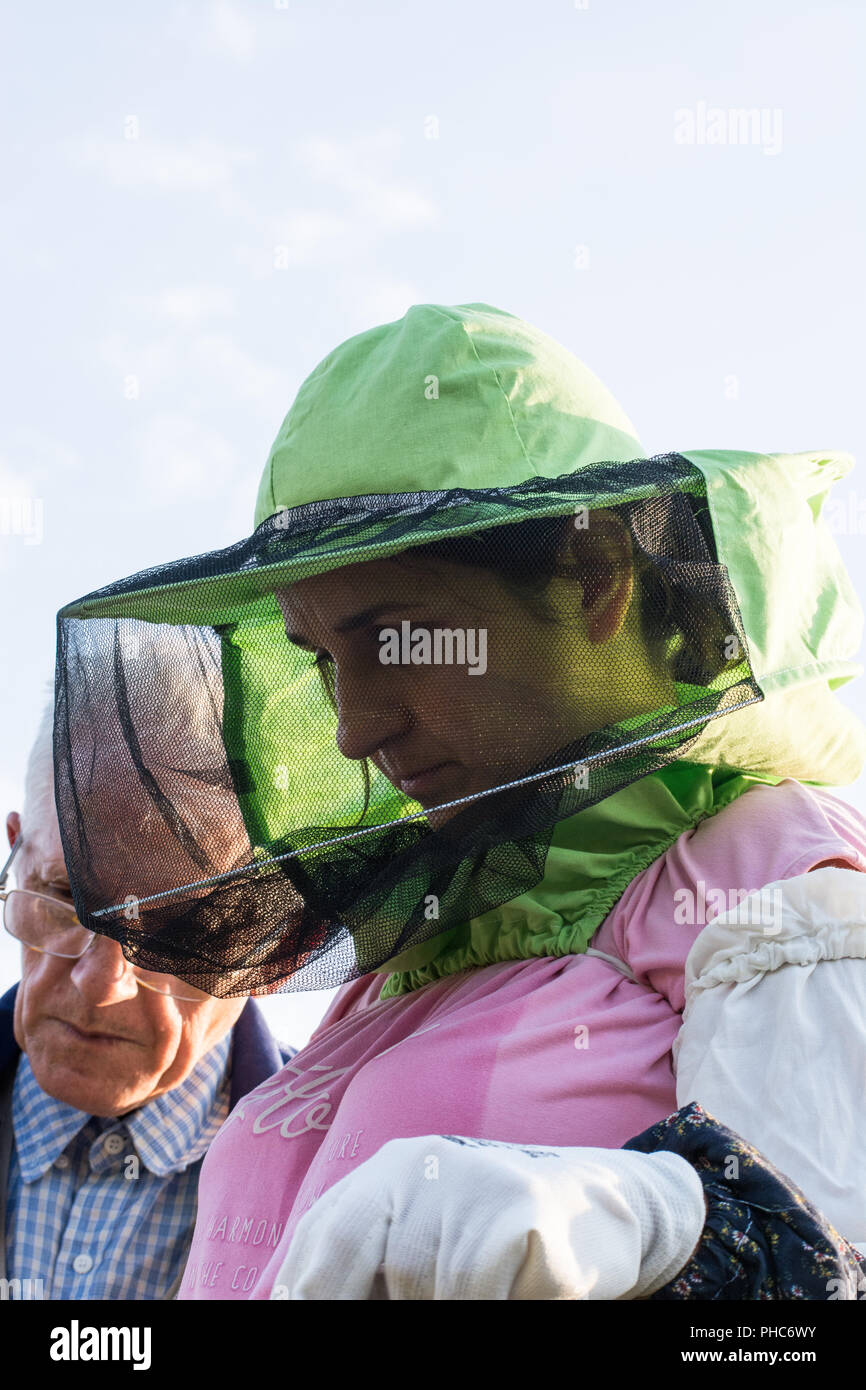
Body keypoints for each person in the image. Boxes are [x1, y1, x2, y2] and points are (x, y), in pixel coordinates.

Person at [51, 302, 866, 1300]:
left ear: (593, 577)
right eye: (320, 658)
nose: (353, 727)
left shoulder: (772, 878)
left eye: (396, 635)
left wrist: (646, 1227)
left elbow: (818, 1276)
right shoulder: (419, 940)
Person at [0, 691, 294, 1300]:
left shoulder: (342, 1174)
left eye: (174, 932)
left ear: (279, 947)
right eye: (67, 897)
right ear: (14, 854)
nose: (99, 983)